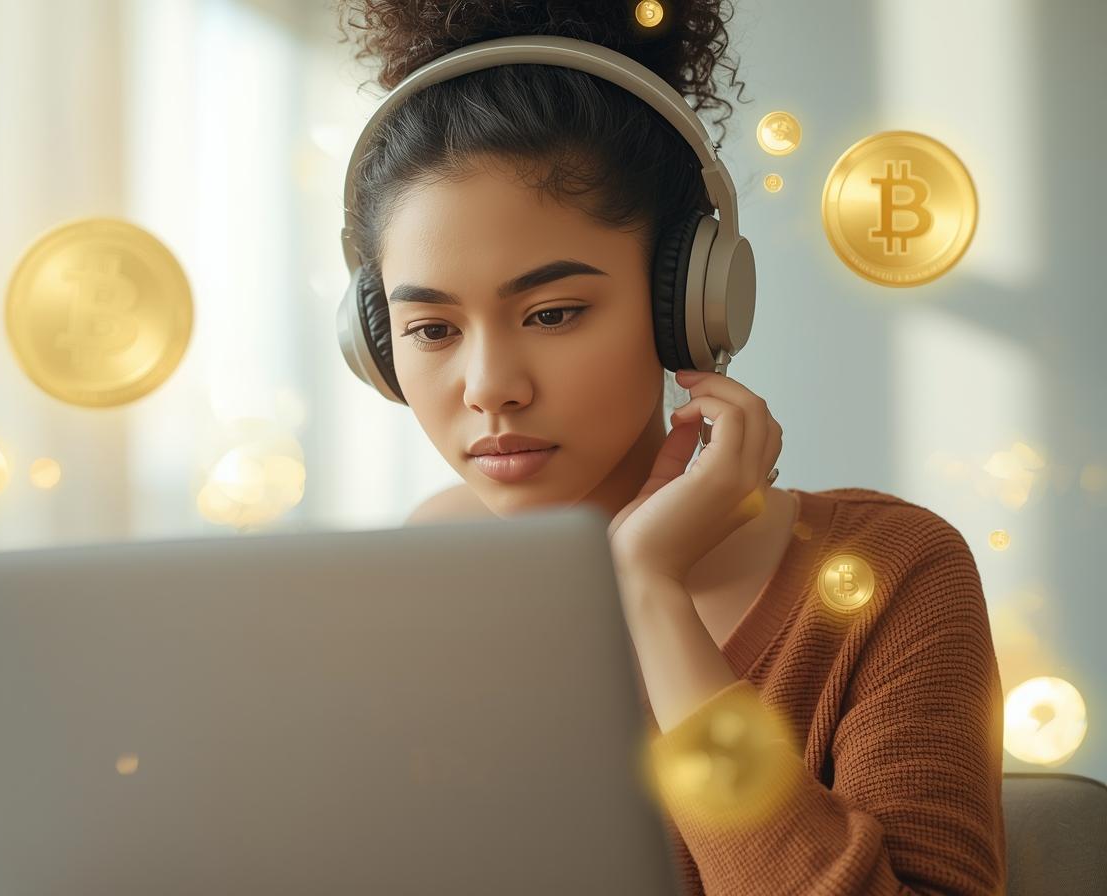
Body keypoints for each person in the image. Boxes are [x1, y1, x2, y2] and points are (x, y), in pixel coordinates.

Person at [336, 1, 1006, 893]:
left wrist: (650, 594)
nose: (489, 385)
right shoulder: (414, 579)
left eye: (554, 313)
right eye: (429, 329)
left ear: (690, 303)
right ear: (376, 344)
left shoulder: (890, 577)